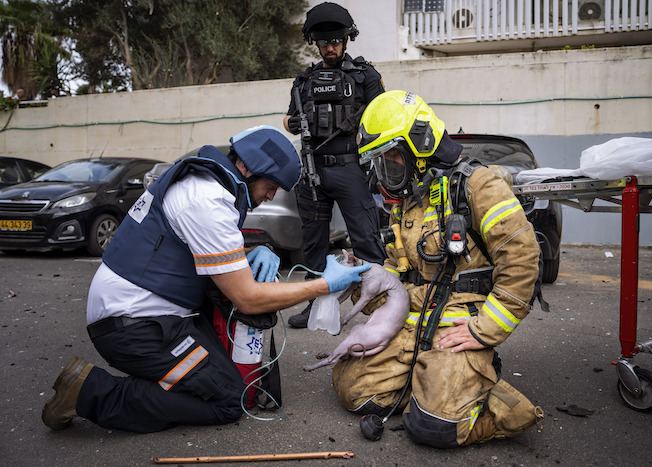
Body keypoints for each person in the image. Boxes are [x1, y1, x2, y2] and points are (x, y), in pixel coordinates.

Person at [41, 125, 370, 433]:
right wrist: (326, 284)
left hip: (149, 312)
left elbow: (200, 243)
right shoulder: (206, 199)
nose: (271, 196)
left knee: (224, 378)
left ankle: (170, 380)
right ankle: (89, 392)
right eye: (271, 187)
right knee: (229, 400)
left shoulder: (205, 185)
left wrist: (255, 248)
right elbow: (248, 298)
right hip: (132, 325)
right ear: (249, 170)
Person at [330, 91, 545, 448]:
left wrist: (483, 330)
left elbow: (522, 261)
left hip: (461, 324)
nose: (386, 171)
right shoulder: (407, 202)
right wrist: (361, 279)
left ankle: (499, 402)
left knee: (434, 427)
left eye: (391, 158)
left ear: (420, 146)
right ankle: (437, 382)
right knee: (353, 390)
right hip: (415, 320)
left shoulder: (479, 186)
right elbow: (395, 269)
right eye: (380, 162)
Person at [284, 2, 387, 328]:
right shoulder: (304, 81)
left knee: (366, 238)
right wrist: (298, 122)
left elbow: (382, 117)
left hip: (349, 168)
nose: (330, 47)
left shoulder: (365, 75)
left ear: (346, 39)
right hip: (313, 170)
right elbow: (288, 119)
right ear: (316, 42)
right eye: (324, 42)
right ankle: (314, 306)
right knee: (312, 243)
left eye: (335, 41)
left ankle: (381, 300)